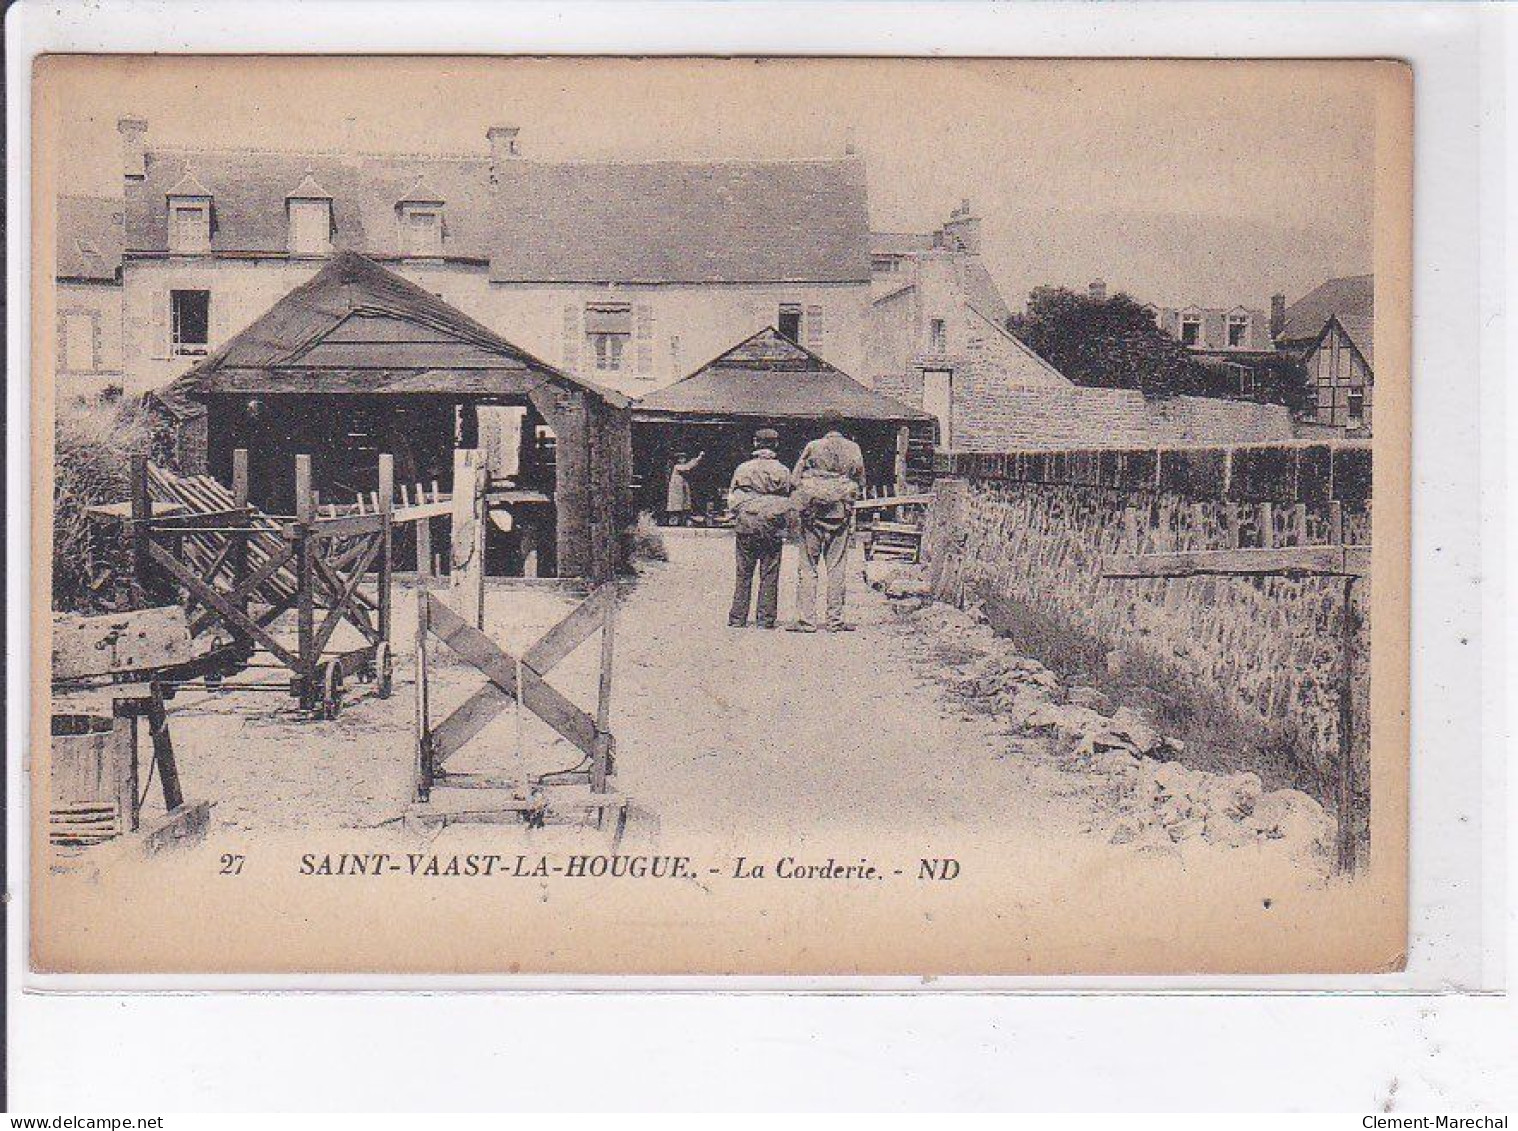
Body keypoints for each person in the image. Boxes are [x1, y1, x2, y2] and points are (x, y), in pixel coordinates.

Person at [788, 418, 866, 632]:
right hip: (839, 513)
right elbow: (860, 480)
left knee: (808, 567)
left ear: (823, 427)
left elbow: (795, 479)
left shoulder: (813, 446)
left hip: (812, 512)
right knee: (837, 567)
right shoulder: (854, 448)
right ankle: (835, 620)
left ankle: (806, 621)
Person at [726, 428, 793, 629]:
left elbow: (732, 496)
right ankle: (765, 619)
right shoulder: (783, 470)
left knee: (744, 572)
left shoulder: (743, 468)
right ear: (776, 445)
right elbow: (788, 496)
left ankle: (737, 618)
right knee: (770, 571)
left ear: (755, 443)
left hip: (747, 521)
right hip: (771, 522)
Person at [663, 450, 704, 526]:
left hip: (682, 489)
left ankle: (683, 521)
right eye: (681, 458)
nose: (684, 460)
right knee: (676, 506)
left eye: (684, 458)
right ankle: (674, 521)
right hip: (677, 491)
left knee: (684, 505)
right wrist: (698, 458)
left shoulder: (680, 467)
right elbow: (687, 467)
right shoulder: (677, 466)